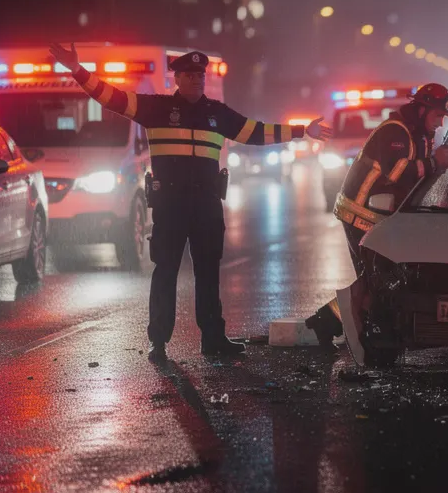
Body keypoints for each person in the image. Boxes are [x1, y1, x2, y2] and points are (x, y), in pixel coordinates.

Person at [48, 43, 331, 361]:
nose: (198, 80)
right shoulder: (155, 109)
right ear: (177, 79)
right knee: (165, 270)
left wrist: (301, 130)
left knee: (208, 273)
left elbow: (254, 131)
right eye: (190, 75)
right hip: (170, 205)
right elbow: (110, 97)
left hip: (207, 205)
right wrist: (77, 70)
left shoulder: (217, 113)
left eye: (201, 75)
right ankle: (159, 342)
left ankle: (213, 339)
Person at [305, 83, 448, 345]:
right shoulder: (395, 132)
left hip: (381, 216)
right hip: (360, 212)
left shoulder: (419, 134)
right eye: (437, 116)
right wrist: (434, 162)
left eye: (443, 118)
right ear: (422, 110)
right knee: (378, 278)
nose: (440, 123)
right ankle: (340, 327)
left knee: (377, 277)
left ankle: (331, 323)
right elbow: (397, 172)